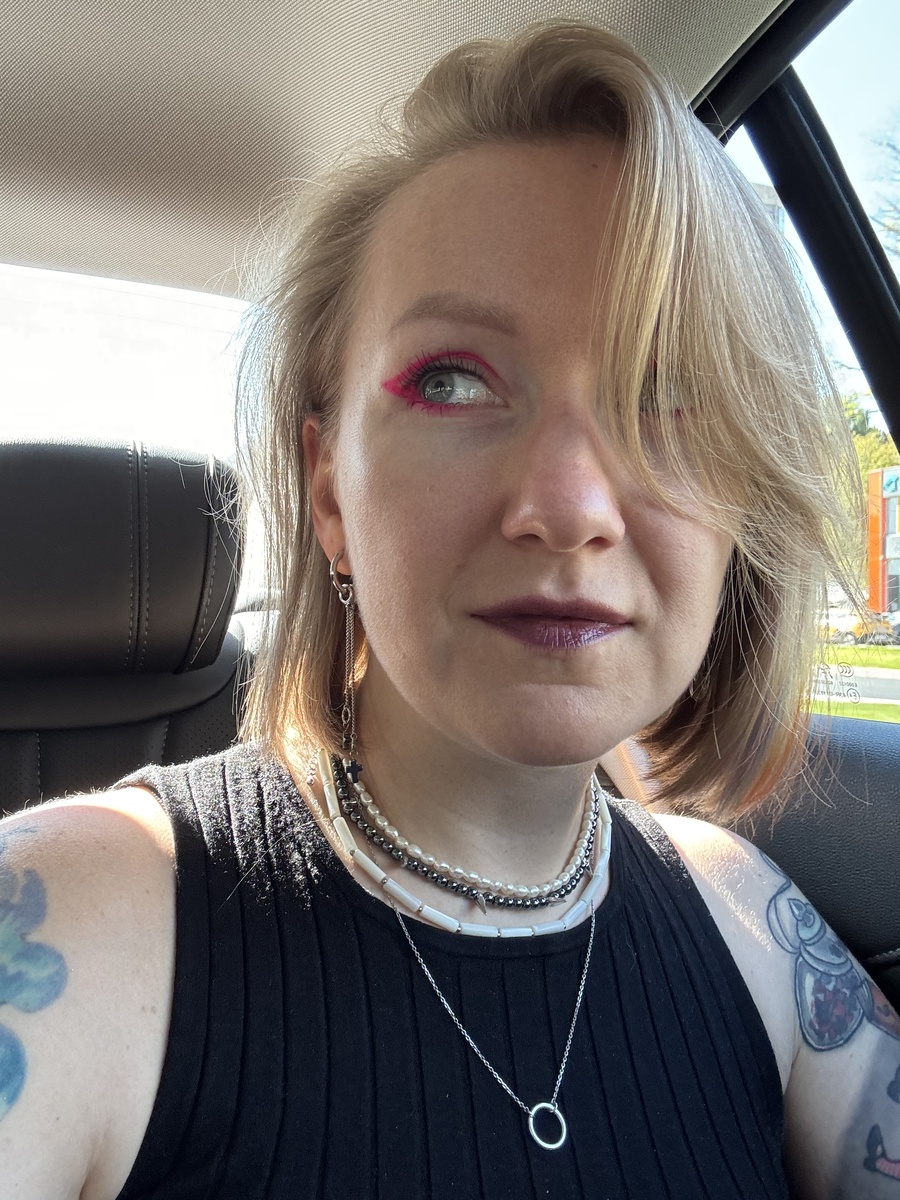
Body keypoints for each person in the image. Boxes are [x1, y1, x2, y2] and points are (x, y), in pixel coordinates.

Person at [2, 19, 897, 1200]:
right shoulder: (63, 922)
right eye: (452, 380)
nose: (567, 506)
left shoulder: (751, 926)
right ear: (330, 492)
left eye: (669, 393)